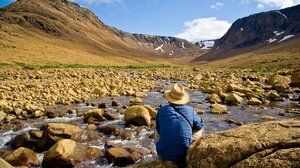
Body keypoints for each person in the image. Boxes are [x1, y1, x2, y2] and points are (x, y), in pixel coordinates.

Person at [155, 84, 204, 166]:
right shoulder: (190, 110)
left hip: (164, 155)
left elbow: (159, 130)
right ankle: (193, 150)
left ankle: (161, 155)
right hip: (184, 155)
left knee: (156, 129)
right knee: (201, 129)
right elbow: (199, 125)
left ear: (169, 99)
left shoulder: (161, 110)